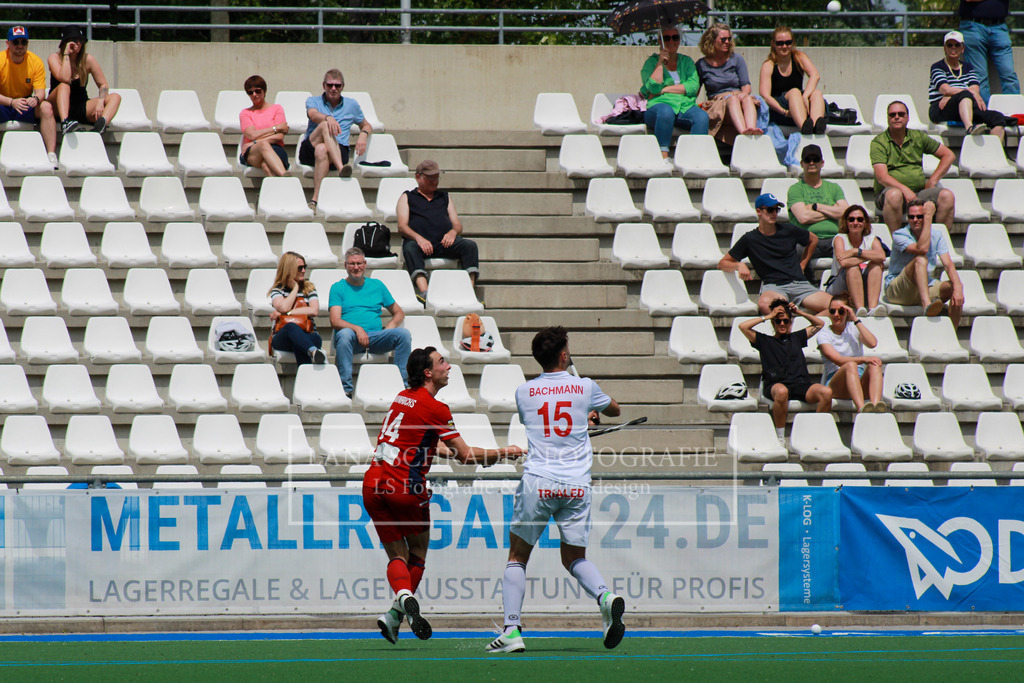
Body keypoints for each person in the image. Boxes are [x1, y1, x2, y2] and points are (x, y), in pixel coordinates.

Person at [368, 346, 524, 645]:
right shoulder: (435, 407)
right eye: (442, 362)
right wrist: (506, 452)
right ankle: (397, 608)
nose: (449, 366)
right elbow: (465, 456)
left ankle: (396, 608)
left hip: (373, 481)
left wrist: (450, 452)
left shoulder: (402, 397)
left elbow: (422, 444)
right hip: (405, 486)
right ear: (428, 372)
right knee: (417, 553)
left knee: (394, 555)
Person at [486, 327, 625, 654]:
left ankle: (512, 630)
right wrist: (590, 410)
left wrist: (580, 413)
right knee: (575, 558)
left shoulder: (524, 391)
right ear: (564, 355)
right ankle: (605, 596)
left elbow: (540, 421)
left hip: (540, 481)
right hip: (576, 484)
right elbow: (615, 410)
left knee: (518, 557)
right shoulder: (585, 386)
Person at [718, 193, 832, 315]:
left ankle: (805, 330)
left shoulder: (788, 229)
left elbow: (813, 239)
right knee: (765, 304)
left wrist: (803, 264)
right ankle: (791, 325)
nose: (774, 213)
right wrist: (738, 265)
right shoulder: (749, 239)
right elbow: (722, 263)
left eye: (776, 210)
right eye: (770, 209)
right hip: (774, 287)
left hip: (799, 284)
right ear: (759, 211)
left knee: (838, 307)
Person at [738, 299, 831, 444]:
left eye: (786, 321)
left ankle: (816, 432)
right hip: (776, 385)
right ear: (773, 323)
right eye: (778, 321)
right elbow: (743, 327)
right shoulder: (764, 340)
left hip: (800, 384)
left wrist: (798, 312)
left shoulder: (796, 338)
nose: (782, 324)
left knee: (826, 392)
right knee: (782, 392)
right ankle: (780, 437)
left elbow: (820, 324)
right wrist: (768, 316)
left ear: (790, 322)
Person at [329, 247, 412, 396]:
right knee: (345, 334)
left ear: (365, 264)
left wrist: (390, 327)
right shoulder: (337, 288)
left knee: (403, 334)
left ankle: (403, 386)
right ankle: (346, 389)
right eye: (352, 264)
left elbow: (399, 312)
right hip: (351, 339)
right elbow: (335, 321)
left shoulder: (377, 285)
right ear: (345, 266)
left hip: (375, 337)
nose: (356, 267)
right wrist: (358, 329)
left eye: (359, 263)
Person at [397, 160, 481, 304]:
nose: (434, 181)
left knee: (470, 246)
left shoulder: (445, 197)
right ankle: (425, 291)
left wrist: (453, 232)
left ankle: (469, 291)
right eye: (430, 178)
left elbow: (457, 225)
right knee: (410, 248)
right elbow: (402, 226)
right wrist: (419, 239)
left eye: (436, 178)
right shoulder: (407, 197)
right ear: (418, 177)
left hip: (444, 243)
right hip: (420, 244)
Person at [871, 99, 957, 235]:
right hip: (888, 194)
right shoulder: (879, 142)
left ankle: (939, 243)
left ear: (907, 117)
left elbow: (948, 155)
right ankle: (898, 244)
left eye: (901, 114)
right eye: (892, 115)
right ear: (888, 118)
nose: (896, 117)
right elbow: (882, 177)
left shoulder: (918, 137)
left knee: (947, 196)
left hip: (918, 193)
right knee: (894, 194)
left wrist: (932, 181)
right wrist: (904, 190)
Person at [884, 199, 965, 328]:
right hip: (898, 290)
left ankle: (952, 334)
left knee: (953, 288)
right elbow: (922, 249)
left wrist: (959, 287)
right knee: (920, 259)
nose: (915, 220)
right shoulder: (899, 235)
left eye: (919, 216)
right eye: (911, 217)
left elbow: (948, 264)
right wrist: (927, 217)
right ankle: (927, 306)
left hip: (923, 286)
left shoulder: (937, 235)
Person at [302, 69, 372, 210]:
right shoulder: (313, 100)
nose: (333, 88)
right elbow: (313, 115)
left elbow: (366, 125)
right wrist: (328, 118)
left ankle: (315, 199)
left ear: (342, 87)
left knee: (322, 150)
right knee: (324, 125)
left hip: (338, 149)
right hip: (310, 147)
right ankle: (341, 169)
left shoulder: (351, 105)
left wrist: (363, 135)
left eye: (337, 85)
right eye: (330, 85)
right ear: (323, 85)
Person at [640, 25, 710, 159]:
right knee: (666, 112)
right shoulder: (651, 63)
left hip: (684, 106)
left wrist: (664, 90)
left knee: (702, 117)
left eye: (675, 37)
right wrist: (660, 63)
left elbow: (693, 87)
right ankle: (663, 156)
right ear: (660, 41)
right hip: (657, 106)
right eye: (666, 38)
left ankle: (694, 158)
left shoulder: (687, 61)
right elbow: (653, 88)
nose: (671, 41)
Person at [928, 31, 1006, 141]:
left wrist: (951, 94)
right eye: (949, 45)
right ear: (944, 48)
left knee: (997, 118)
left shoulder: (968, 67)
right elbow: (945, 89)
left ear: (962, 48)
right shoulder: (938, 67)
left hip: (966, 106)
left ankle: (994, 152)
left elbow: (975, 89)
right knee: (965, 94)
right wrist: (956, 93)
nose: (953, 48)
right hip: (941, 108)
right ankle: (970, 128)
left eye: (957, 45)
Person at [46, 24, 121, 137]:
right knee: (64, 86)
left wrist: (100, 101)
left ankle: (100, 126)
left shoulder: (88, 59)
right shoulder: (54, 58)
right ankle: (65, 122)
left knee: (115, 97)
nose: (78, 44)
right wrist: (66, 54)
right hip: (57, 106)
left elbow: (103, 84)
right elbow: (65, 78)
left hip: (80, 105)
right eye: (73, 40)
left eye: (80, 40)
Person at [0, 26, 57, 167]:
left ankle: (51, 155)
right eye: (16, 42)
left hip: (25, 103)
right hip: (4, 103)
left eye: (23, 42)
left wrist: (35, 99)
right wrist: (11, 102)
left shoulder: (35, 61)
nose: (20, 46)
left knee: (46, 107)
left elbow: (40, 93)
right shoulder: (1, 60)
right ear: (8, 44)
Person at [787, 143, 848, 275]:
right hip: (808, 240)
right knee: (797, 249)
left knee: (850, 248)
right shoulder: (795, 189)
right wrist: (832, 211)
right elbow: (803, 218)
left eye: (816, 159)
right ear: (802, 164)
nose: (812, 163)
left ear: (822, 163)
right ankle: (809, 288)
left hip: (835, 239)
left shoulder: (834, 187)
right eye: (808, 160)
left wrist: (816, 207)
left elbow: (845, 213)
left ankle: (841, 289)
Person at [817, 293, 884, 414]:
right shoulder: (824, 334)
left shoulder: (854, 328)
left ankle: (875, 407)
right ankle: (861, 409)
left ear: (848, 312)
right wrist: (863, 359)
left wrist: (856, 320)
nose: (836, 315)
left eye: (841, 311)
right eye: (832, 311)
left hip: (859, 381)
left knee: (875, 364)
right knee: (850, 365)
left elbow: (872, 343)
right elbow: (838, 360)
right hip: (837, 384)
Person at [696, 23, 761, 142]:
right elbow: (695, 90)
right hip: (718, 102)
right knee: (732, 99)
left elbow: (746, 85)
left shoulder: (736, 59)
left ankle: (752, 130)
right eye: (723, 39)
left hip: (738, 96)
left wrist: (743, 94)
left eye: (729, 39)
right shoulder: (702, 64)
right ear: (712, 41)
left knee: (747, 99)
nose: (727, 42)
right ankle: (743, 135)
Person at [758, 26, 827, 135]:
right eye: (780, 43)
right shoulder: (769, 65)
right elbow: (765, 96)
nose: (784, 46)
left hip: (800, 105)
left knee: (816, 93)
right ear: (773, 44)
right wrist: (784, 112)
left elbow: (815, 75)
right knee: (794, 92)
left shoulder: (798, 57)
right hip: (781, 109)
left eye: (788, 42)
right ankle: (805, 128)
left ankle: (816, 127)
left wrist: (805, 96)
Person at [826, 205, 887, 317]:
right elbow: (844, 263)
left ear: (865, 222)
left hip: (861, 284)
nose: (855, 222)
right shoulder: (840, 238)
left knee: (876, 265)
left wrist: (855, 251)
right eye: (851, 219)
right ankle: (860, 310)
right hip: (839, 284)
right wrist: (869, 256)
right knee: (853, 268)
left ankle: (872, 309)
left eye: (860, 219)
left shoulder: (871, 239)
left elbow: (881, 256)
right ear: (846, 222)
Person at [267, 251, 325, 366]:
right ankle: (313, 352)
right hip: (283, 337)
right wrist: (295, 288)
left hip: (309, 334)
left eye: (305, 267)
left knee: (299, 342)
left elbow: (314, 310)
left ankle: (304, 379)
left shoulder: (309, 288)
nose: (304, 271)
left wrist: (287, 313)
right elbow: (283, 306)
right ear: (289, 269)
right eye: (300, 268)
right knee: (291, 327)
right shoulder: (278, 290)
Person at [959, 0, 1019, 103]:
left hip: (999, 27)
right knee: (979, 78)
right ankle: (985, 116)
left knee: (1009, 75)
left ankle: (1015, 115)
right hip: (973, 26)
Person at [239, 75, 289, 176]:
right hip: (253, 152)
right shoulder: (245, 113)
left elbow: (279, 136)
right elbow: (252, 135)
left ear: (264, 91)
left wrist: (255, 142)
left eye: (258, 91)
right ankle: (286, 178)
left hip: (275, 149)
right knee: (263, 145)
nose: (254, 94)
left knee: (266, 166)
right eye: (250, 92)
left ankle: (280, 189)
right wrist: (276, 128)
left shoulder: (277, 109)